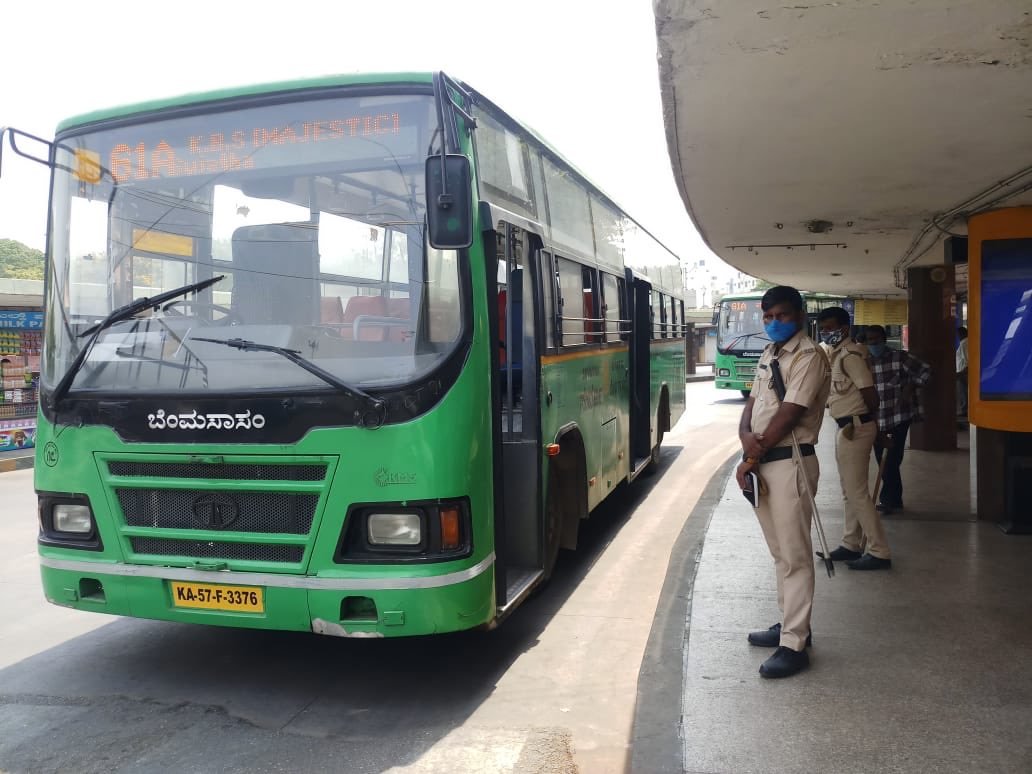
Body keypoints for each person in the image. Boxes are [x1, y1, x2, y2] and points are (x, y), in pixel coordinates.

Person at [736, 286, 831, 678]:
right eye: (768, 316)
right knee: (779, 553)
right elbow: (753, 403)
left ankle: (795, 644)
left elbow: (789, 413)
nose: (773, 322)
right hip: (762, 463)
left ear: (800, 316)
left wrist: (751, 457)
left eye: (782, 315)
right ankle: (791, 622)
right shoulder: (769, 353)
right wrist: (744, 436)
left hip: (791, 463)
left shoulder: (809, 355)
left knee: (794, 556)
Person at [816, 308, 892, 571]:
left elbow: (871, 395)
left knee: (857, 493)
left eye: (830, 328)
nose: (826, 333)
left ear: (845, 329)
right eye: (822, 329)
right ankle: (851, 544)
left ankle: (879, 551)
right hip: (846, 428)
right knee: (849, 490)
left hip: (856, 428)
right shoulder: (836, 354)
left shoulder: (850, 357)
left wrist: (877, 428)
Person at [864, 325, 931, 514]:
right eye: (869, 340)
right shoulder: (864, 362)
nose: (873, 343)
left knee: (892, 459)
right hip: (877, 419)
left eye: (876, 339)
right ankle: (894, 500)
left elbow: (926, 371)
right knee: (882, 460)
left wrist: (911, 386)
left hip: (898, 416)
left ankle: (889, 500)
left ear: (884, 339)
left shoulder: (900, 357)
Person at [956, 326, 969, 417]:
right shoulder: (965, 343)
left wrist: (961, 373)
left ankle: (965, 410)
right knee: (964, 391)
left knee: (964, 392)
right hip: (963, 372)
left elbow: (968, 360)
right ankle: (965, 410)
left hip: (963, 373)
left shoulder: (965, 343)